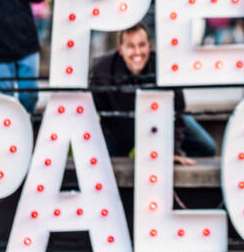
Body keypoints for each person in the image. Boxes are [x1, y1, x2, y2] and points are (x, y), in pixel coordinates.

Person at [90, 23, 216, 164]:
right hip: (119, 127)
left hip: (162, 120)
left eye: (142, 45)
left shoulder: (165, 66)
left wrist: (172, 151)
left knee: (207, 146)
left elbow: (178, 111)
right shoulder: (102, 70)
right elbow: (96, 113)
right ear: (120, 49)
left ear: (150, 46)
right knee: (104, 162)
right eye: (131, 46)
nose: (137, 52)